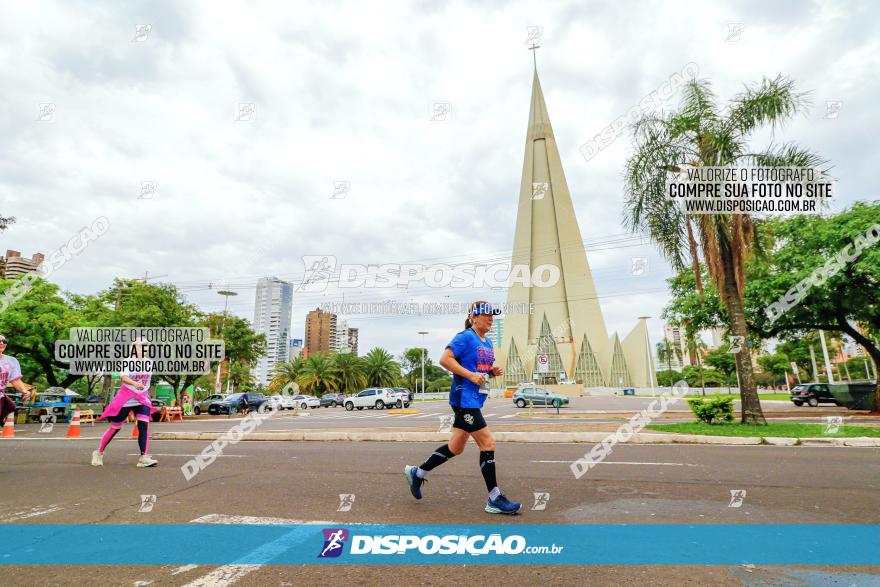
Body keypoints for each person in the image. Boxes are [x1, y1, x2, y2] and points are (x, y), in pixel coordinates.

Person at [404, 301, 521, 514]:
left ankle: (417, 473)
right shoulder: (465, 337)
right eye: (485, 314)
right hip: (463, 400)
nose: (490, 317)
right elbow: (444, 360)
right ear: (472, 317)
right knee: (488, 442)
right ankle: (494, 498)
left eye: (492, 314)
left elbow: (478, 370)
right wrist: (469, 375)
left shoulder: (487, 342)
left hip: (475, 400)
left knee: (455, 448)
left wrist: (491, 372)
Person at [92, 339, 158, 467]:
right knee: (116, 427)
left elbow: (146, 380)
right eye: (140, 346)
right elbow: (124, 378)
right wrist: (134, 383)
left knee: (144, 425)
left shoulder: (150, 362)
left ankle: (143, 457)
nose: (144, 348)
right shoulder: (127, 362)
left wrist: (144, 392)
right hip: (127, 397)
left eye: (146, 346)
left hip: (142, 397)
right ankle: (99, 452)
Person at [0, 334, 31, 425]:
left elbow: (15, 380)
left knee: (10, 407)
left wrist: (25, 391)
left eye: (4, 341)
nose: (1, 343)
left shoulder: (11, 361)